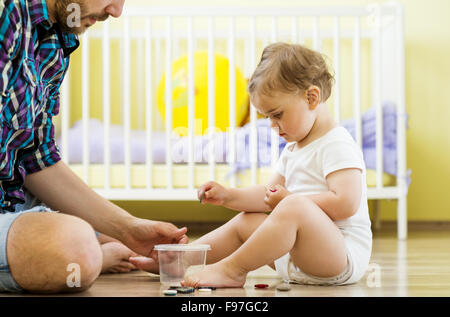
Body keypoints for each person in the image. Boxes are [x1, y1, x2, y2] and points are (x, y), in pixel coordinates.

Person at [0, 0, 187, 294]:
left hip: (12, 198)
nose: (116, 11)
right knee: (77, 246)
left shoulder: (58, 37)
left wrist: (129, 227)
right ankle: (88, 253)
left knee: (106, 237)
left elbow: (36, 156)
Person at [177, 42, 373, 287]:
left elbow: (345, 203)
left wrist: (288, 200)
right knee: (248, 219)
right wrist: (229, 196)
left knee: (294, 206)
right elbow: (267, 196)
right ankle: (178, 259)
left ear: (312, 97)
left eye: (277, 115)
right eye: (267, 117)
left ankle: (233, 269)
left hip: (339, 258)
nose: (272, 125)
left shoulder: (336, 143)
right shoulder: (294, 147)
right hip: (296, 258)